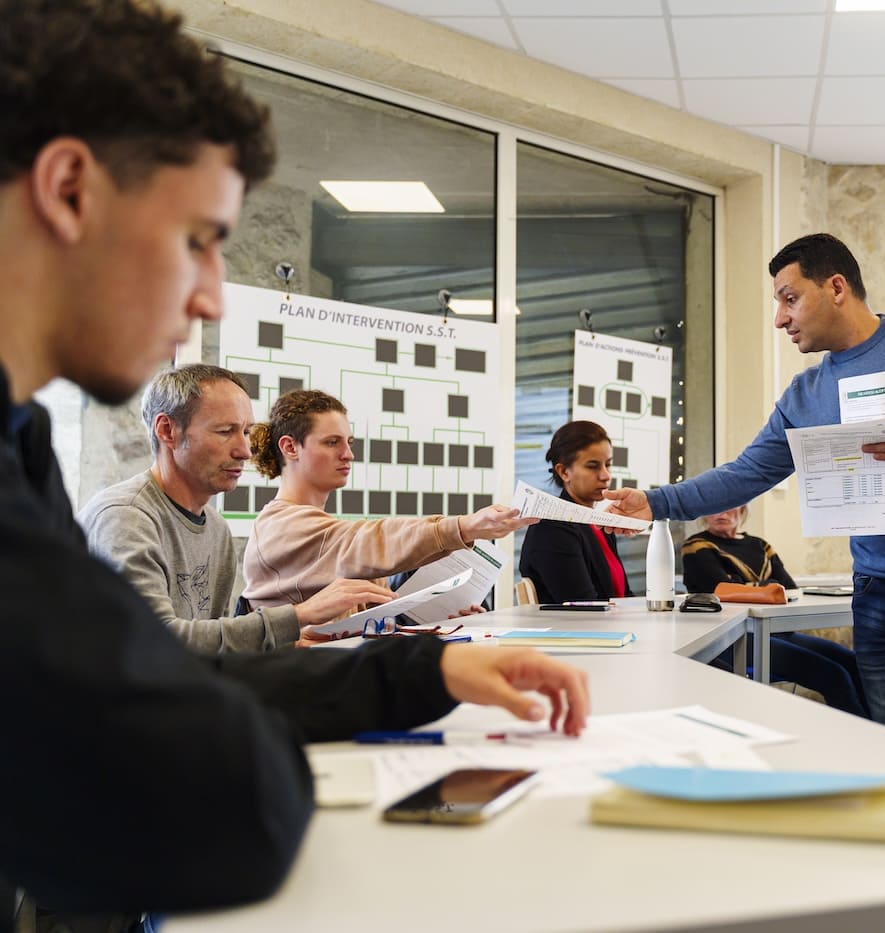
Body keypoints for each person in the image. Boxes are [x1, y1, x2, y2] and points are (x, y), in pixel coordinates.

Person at [0, 0, 588, 925]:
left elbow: (141, 675)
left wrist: (420, 676)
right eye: (195, 239)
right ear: (70, 188)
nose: (203, 291)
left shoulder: (21, 440)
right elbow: (202, 798)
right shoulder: (92, 495)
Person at [606, 233, 885, 775]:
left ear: (836, 287)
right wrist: (654, 502)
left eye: (790, 298)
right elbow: (746, 473)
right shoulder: (804, 396)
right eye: (777, 303)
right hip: (881, 595)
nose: (780, 318)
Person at [79, 364, 393, 652]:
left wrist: (282, 644)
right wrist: (296, 617)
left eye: (245, 432)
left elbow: (211, 644)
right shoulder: (126, 516)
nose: (244, 450)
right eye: (225, 432)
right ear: (167, 431)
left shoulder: (215, 529)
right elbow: (153, 643)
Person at [243, 388, 531, 621]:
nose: (348, 454)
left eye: (349, 442)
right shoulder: (279, 526)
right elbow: (366, 540)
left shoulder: (322, 529)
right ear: (290, 447)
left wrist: (437, 618)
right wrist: (464, 527)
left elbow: (373, 621)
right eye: (332, 442)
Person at [683, 506, 869, 718]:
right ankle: (864, 741)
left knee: (851, 662)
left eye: (729, 506)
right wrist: (767, 586)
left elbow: (788, 587)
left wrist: (749, 586)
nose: (721, 513)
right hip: (733, 637)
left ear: (742, 509)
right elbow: (720, 588)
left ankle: (884, 731)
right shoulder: (696, 546)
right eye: (714, 507)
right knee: (833, 675)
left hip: (776, 630)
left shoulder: (760, 545)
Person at [517, 420, 632, 603]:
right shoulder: (552, 527)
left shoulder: (600, 523)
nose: (605, 475)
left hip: (614, 627)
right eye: (593, 466)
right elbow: (585, 607)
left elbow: (625, 597)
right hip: (579, 630)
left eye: (608, 464)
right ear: (564, 472)